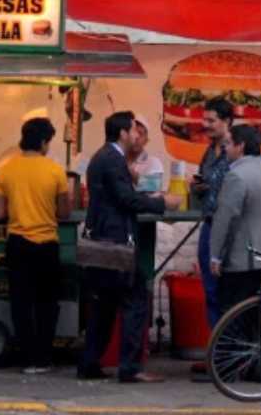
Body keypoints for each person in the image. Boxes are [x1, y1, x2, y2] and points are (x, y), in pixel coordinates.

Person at [78, 111, 181, 383]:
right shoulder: (112, 160)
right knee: (135, 300)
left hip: (102, 241)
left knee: (105, 304)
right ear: (123, 133)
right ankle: (130, 368)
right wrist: (162, 203)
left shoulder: (106, 157)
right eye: (134, 131)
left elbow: (120, 194)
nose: (137, 136)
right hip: (115, 242)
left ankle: (90, 364)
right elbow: (126, 200)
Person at [0, 117, 71, 374]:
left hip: (17, 244)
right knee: (47, 303)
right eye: (49, 141)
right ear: (42, 141)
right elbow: (65, 213)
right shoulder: (55, 171)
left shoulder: (5, 170)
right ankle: (43, 358)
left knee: (21, 303)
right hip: (46, 244)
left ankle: (26, 359)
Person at [208, 125, 261, 313]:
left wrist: (215, 255)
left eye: (228, 144)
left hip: (241, 259)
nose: (225, 149)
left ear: (240, 146)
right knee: (258, 320)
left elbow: (225, 218)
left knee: (234, 320)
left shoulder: (236, 176)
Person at [193, 97, 235, 328]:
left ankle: (231, 353)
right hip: (209, 225)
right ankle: (216, 353)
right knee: (210, 290)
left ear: (227, 121)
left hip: (230, 229)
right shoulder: (209, 152)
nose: (206, 124)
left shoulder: (237, 150)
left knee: (230, 292)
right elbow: (208, 185)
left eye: (211, 120)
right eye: (204, 120)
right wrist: (198, 188)